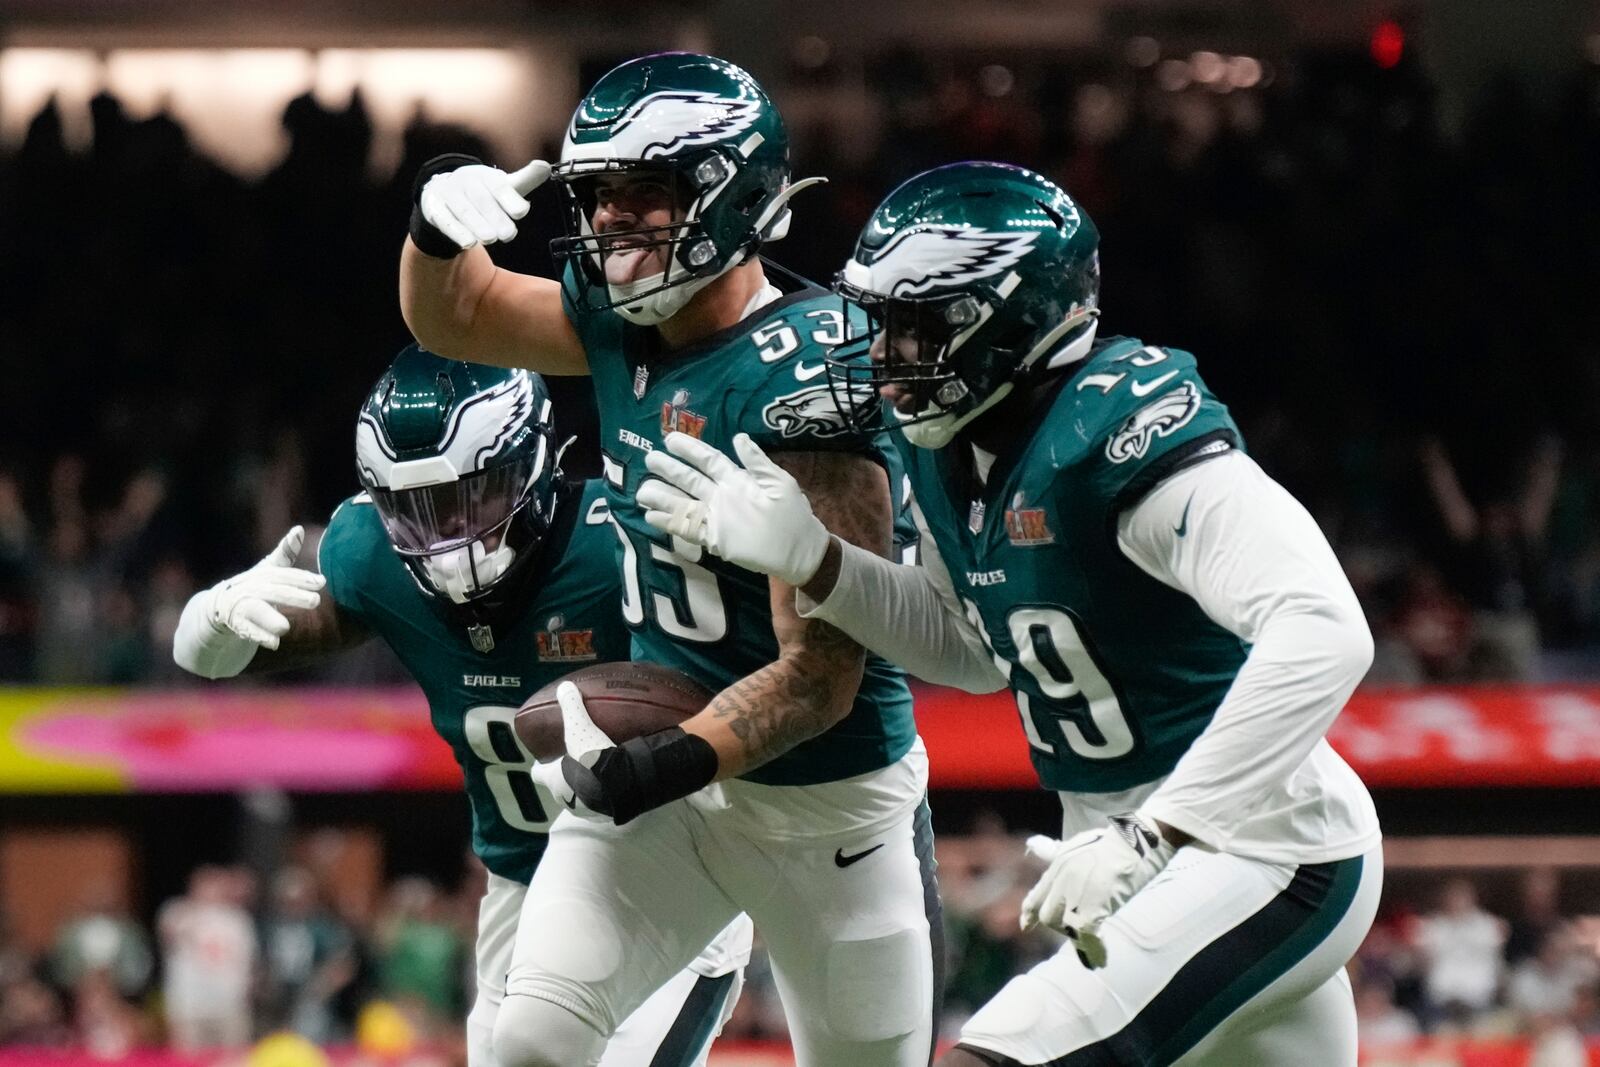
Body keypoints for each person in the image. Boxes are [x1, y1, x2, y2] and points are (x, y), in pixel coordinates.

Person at [640, 161, 1384, 1066]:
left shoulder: (1116, 429)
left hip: (1260, 844)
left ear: (1013, 321)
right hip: (1132, 845)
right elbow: (973, 652)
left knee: (1000, 1054)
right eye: (879, 324)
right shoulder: (956, 452)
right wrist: (819, 561)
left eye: (914, 328)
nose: (882, 357)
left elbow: (1324, 630)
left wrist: (1159, 829)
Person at [400, 51, 940, 1067]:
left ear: (730, 195)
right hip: (676, 779)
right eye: (600, 198)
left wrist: (664, 759)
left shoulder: (806, 372)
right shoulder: (617, 321)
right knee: (530, 1041)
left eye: (644, 194)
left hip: (831, 803)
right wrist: (435, 232)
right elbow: (455, 314)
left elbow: (820, 677)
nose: (612, 224)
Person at [172, 345, 750, 1067]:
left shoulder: (619, 542)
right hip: (520, 883)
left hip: (665, 867)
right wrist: (211, 618)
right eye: (413, 509)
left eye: (466, 496)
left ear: (530, 464)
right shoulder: (373, 558)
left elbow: (740, 694)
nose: (445, 538)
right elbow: (204, 659)